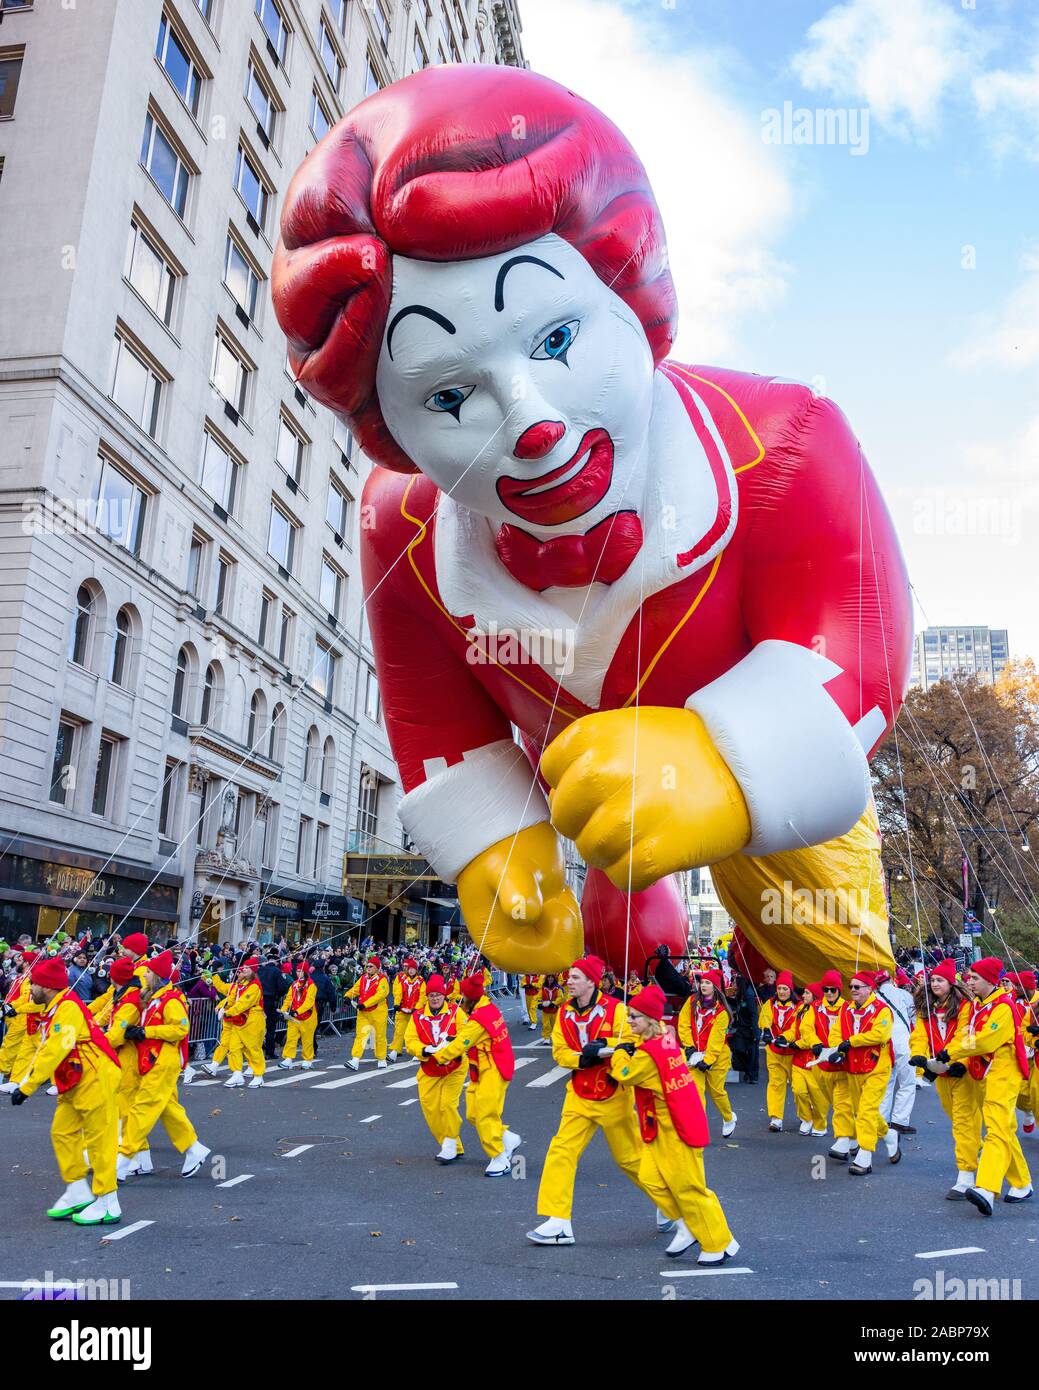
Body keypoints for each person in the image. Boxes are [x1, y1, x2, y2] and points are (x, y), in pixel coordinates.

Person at [608, 984, 739, 1264]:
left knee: (689, 1188)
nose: (629, 1021)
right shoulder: (664, 1042)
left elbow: (624, 1073)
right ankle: (689, 1226)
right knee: (650, 1178)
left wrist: (619, 1051)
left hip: (675, 1129)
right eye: (629, 1015)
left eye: (634, 1017)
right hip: (663, 1128)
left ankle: (718, 1243)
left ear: (651, 1021)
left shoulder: (647, 1054)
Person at [528, 956, 646, 1247]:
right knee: (560, 1151)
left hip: (613, 1096)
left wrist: (605, 1050)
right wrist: (583, 1057)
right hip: (579, 1093)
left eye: (576, 977)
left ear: (593, 981)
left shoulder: (617, 1010)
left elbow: (634, 1044)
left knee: (632, 1161)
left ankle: (675, 1208)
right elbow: (559, 1052)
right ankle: (558, 1222)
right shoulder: (565, 1012)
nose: (569, 981)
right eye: (569, 976)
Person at [8, 956, 122, 1226]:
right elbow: (54, 1049)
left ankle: (108, 1201)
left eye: (33, 983)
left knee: (99, 1140)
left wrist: (27, 1086)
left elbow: (56, 1049)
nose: (30, 988)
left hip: (95, 1078)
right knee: (62, 1131)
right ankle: (77, 1189)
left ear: (47, 986)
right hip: (77, 1080)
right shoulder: (59, 1008)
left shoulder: (67, 1008)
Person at [941, 958, 1032, 1215]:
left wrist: (953, 1053)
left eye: (974, 978)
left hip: (1004, 1073)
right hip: (984, 1072)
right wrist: (948, 1056)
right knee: (1003, 1129)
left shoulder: (1003, 1006)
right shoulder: (976, 1006)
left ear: (990, 981)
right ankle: (1022, 1183)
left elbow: (985, 1041)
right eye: (969, 977)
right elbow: (965, 1036)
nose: (968, 981)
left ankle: (986, 1187)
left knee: (994, 1128)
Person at [116, 951, 210, 1181]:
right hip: (153, 1058)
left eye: (148, 971)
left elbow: (180, 1029)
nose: (144, 974)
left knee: (143, 1107)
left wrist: (146, 1031)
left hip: (162, 1059)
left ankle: (124, 1158)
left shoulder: (170, 1000)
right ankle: (193, 1148)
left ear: (157, 975)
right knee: (168, 1108)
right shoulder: (155, 997)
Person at [428, 974, 520, 1176]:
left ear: (470, 998)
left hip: (493, 1069)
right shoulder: (485, 1009)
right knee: (473, 1113)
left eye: (463, 996)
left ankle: (499, 1157)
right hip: (484, 1069)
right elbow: (467, 1036)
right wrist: (454, 1039)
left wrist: (438, 1056)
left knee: (486, 1114)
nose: (460, 1000)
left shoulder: (479, 1017)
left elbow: (463, 1043)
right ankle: (506, 1138)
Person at [907, 959, 981, 1199]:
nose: (934, 983)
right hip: (941, 1073)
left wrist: (959, 1061)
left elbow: (966, 1036)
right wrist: (919, 1055)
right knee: (956, 1119)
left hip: (962, 1071)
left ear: (951, 983)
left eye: (940, 980)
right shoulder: (925, 1007)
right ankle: (980, 1150)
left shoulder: (965, 1007)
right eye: (933, 980)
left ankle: (966, 1175)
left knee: (962, 1122)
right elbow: (919, 1034)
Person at [823, 971, 901, 1175]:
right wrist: (838, 1049)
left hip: (877, 1067)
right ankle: (888, 1135)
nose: (853, 991)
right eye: (851, 987)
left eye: (857, 987)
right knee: (863, 1111)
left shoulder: (882, 1010)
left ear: (869, 989)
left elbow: (880, 1034)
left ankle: (865, 1155)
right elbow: (836, 1033)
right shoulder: (846, 1010)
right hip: (853, 1066)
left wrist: (852, 1042)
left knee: (866, 1110)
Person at [404, 973, 467, 1162]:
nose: (435, 998)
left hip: (455, 1067)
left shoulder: (457, 1012)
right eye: (431, 995)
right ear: (427, 997)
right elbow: (410, 1041)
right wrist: (424, 1049)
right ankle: (452, 1144)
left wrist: (452, 1044)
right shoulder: (417, 1016)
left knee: (447, 1105)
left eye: (438, 995)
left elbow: (467, 1035)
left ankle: (449, 1147)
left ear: (444, 996)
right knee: (430, 1109)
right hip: (429, 1068)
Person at [677, 969, 737, 1137]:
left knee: (717, 1092)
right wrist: (689, 1047)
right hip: (695, 1055)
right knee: (695, 1092)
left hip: (717, 1058)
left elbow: (716, 1041)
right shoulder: (691, 1002)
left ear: (716, 987)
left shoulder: (722, 1013)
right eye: (702, 982)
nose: (703, 985)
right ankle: (697, 1127)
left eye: (708, 983)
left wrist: (708, 1060)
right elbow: (683, 1024)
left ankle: (729, 1118)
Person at [874, 967, 918, 1136]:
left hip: (884, 1043)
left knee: (886, 1083)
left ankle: (882, 1121)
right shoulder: (904, 995)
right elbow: (914, 1017)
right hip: (903, 1042)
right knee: (907, 1082)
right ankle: (899, 1121)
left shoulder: (875, 998)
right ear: (892, 980)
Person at [757, 970, 799, 1131]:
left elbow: (798, 1027)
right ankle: (776, 1118)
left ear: (791, 990)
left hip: (793, 1054)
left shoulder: (799, 1006)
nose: (781, 992)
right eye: (779, 988)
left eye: (785, 989)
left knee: (799, 1087)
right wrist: (766, 1031)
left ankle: (805, 1115)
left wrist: (786, 1038)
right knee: (775, 1084)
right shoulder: (770, 1004)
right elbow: (765, 1018)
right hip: (774, 1052)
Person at [785, 983, 828, 1136]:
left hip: (815, 1060)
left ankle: (820, 1124)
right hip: (799, 1059)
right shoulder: (801, 1009)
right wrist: (783, 1037)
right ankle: (806, 1119)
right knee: (798, 1091)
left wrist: (796, 1044)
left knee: (818, 1096)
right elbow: (794, 1030)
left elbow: (812, 1037)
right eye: (804, 993)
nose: (803, 996)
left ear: (815, 996)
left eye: (807, 993)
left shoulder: (822, 1013)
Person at [219, 958, 267, 1089]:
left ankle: (258, 1075)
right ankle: (237, 1073)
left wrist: (229, 1012)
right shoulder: (242, 984)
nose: (243, 969)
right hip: (239, 1019)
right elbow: (233, 998)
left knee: (253, 1048)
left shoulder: (254, 986)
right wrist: (224, 1007)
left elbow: (244, 1003)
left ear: (253, 970)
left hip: (252, 1020)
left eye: (247, 967)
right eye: (244, 967)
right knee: (233, 1047)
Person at [0, 948, 41, 1092]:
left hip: (23, 1018)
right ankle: (17, 1080)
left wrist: (11, 1007)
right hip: (19, 1017)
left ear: (27, 963)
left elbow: (26, 998)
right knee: (22, 1050)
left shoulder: (29, 979)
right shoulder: (22, 977)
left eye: (20, 959)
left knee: (12, 1047)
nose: (17, 961)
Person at [345, 956, 390, 1070]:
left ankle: (381, 1058)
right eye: (367, 966)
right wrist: (348, 996)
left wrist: (365, 1004)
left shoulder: (382, 979)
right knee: (360, 1035)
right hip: (363, 1012)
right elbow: (356, 988)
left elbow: (380, 995)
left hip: (378, 1012)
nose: (368, 968)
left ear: (377, 968)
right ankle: (355, 1059)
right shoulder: (363, 978)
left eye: (371, 966)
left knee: (380, 1036)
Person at [279, 961, 318, 1069]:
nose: (298, 973)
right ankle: (288, 1058)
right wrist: (283, 1011)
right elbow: (288, 999)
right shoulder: (294, 984)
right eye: (297, 970)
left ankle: (308, 1059)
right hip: (294, 1016)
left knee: (307, 1040)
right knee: (291, 1038)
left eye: (300, 971)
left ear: (305, 972)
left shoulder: (311, 985)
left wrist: (297, 1011)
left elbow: (309, 1002)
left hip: (308, 1017)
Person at [388, 957, 426, 1062]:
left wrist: (417, 1008)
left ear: (416, 970)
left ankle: (418, 1052)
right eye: (409, 968)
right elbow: (399, 993)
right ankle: (394, 1052)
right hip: (403, 1010)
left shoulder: (421, 981)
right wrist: (396, 1005)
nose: (411, 970)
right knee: (399, 1032)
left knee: (416, 1033)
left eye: (413, 968)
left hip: (415, 1011)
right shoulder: (403, 980)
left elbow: (423, 996)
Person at [538, 973, 562, 1045]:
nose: (550, 979)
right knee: (546, 1025)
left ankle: (556, 1038)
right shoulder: (543, 988)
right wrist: (539, 1004)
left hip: (554, 1010)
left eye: (552, 977)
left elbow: (560, 997)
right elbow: (539, 997)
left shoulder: (558, 988)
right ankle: (547, 1038)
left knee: (555, 1025)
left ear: (554, 979)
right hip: (545, 1011)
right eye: (549, 977)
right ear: (546, 978)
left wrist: (554, 1003)